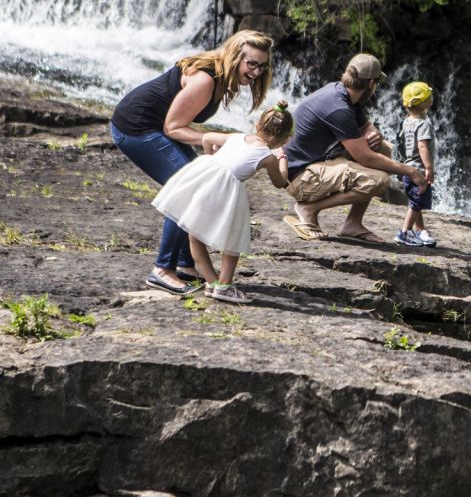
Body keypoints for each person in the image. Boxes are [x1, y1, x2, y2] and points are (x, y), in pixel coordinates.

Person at [110, 29, 274, 295]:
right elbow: (173, 128)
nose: (256, 71)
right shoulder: (205, 80)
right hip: (135, 128)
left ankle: (186, 264)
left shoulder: (222, 76)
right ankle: (162, 270)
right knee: (189, 191)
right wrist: (219, 137)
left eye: (262, 66)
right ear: (234, 57)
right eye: (251, 63)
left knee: (203, 183)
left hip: (152, 127)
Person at [150, 103, 293, 304]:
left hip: (203, 179)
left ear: (258, 125)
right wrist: (282, 157)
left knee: (194, 234)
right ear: (285, 139)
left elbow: (207, 138)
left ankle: (212, 282)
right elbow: (280, 182)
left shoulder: (237, 137)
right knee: (232, 238)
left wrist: (211, 157)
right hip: (225, 190)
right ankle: (224, 285)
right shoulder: (268, 157)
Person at [281, 53, 429, 244]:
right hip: (301, 177)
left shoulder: (344, 94)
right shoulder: (339, 108)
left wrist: (375, 134)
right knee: (379, 180)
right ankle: (309, 208)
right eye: (376, 83)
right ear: (371, 83)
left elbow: (367, 127)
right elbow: (366, 158)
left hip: (319, 162)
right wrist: (411, 171)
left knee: (382, 148)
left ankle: (353, 223)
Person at [395, 81, 438, 247]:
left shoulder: (407, 121)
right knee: (416, 203)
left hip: (408, 167)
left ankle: (420, 231)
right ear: (429, 102)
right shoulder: (424, 124)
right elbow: (422, 145)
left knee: (416, 201)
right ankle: (404, 232)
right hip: (418, 171)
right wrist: (429, 167)